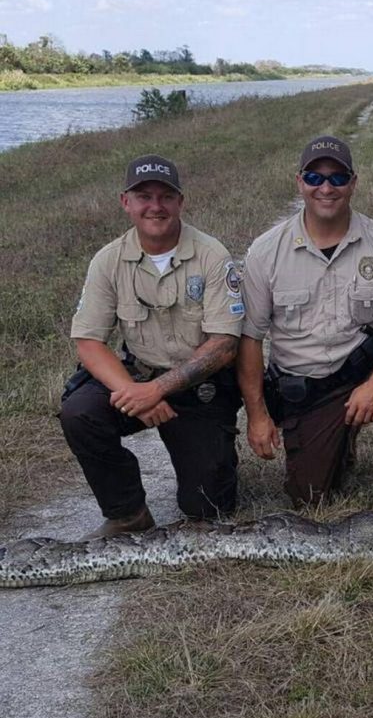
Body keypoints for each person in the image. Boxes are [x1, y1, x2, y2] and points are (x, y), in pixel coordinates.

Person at [236, 135, 373, 519]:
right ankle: (338, 441)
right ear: (299, 182)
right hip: (311, 384)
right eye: (315, 178)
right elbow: (249, 338)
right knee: (309, 499)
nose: (327, 188)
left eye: (338, 177)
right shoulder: (265, 252)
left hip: (372, 367)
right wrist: (257, 415)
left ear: (353, 182)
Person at [60, 154, 244, 537]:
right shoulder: (108, 261)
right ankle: (127, 513)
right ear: (125, 202)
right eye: (144, 196)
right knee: (80, 412)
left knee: (207, 508)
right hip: (139, 378)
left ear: (181, 202)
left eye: (165, 196)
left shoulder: (212, 256)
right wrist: (132, 391)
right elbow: (89, 340)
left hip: (199, 389)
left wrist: (158, 390)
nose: (155, 206)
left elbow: (225, 345)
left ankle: (214, 464)